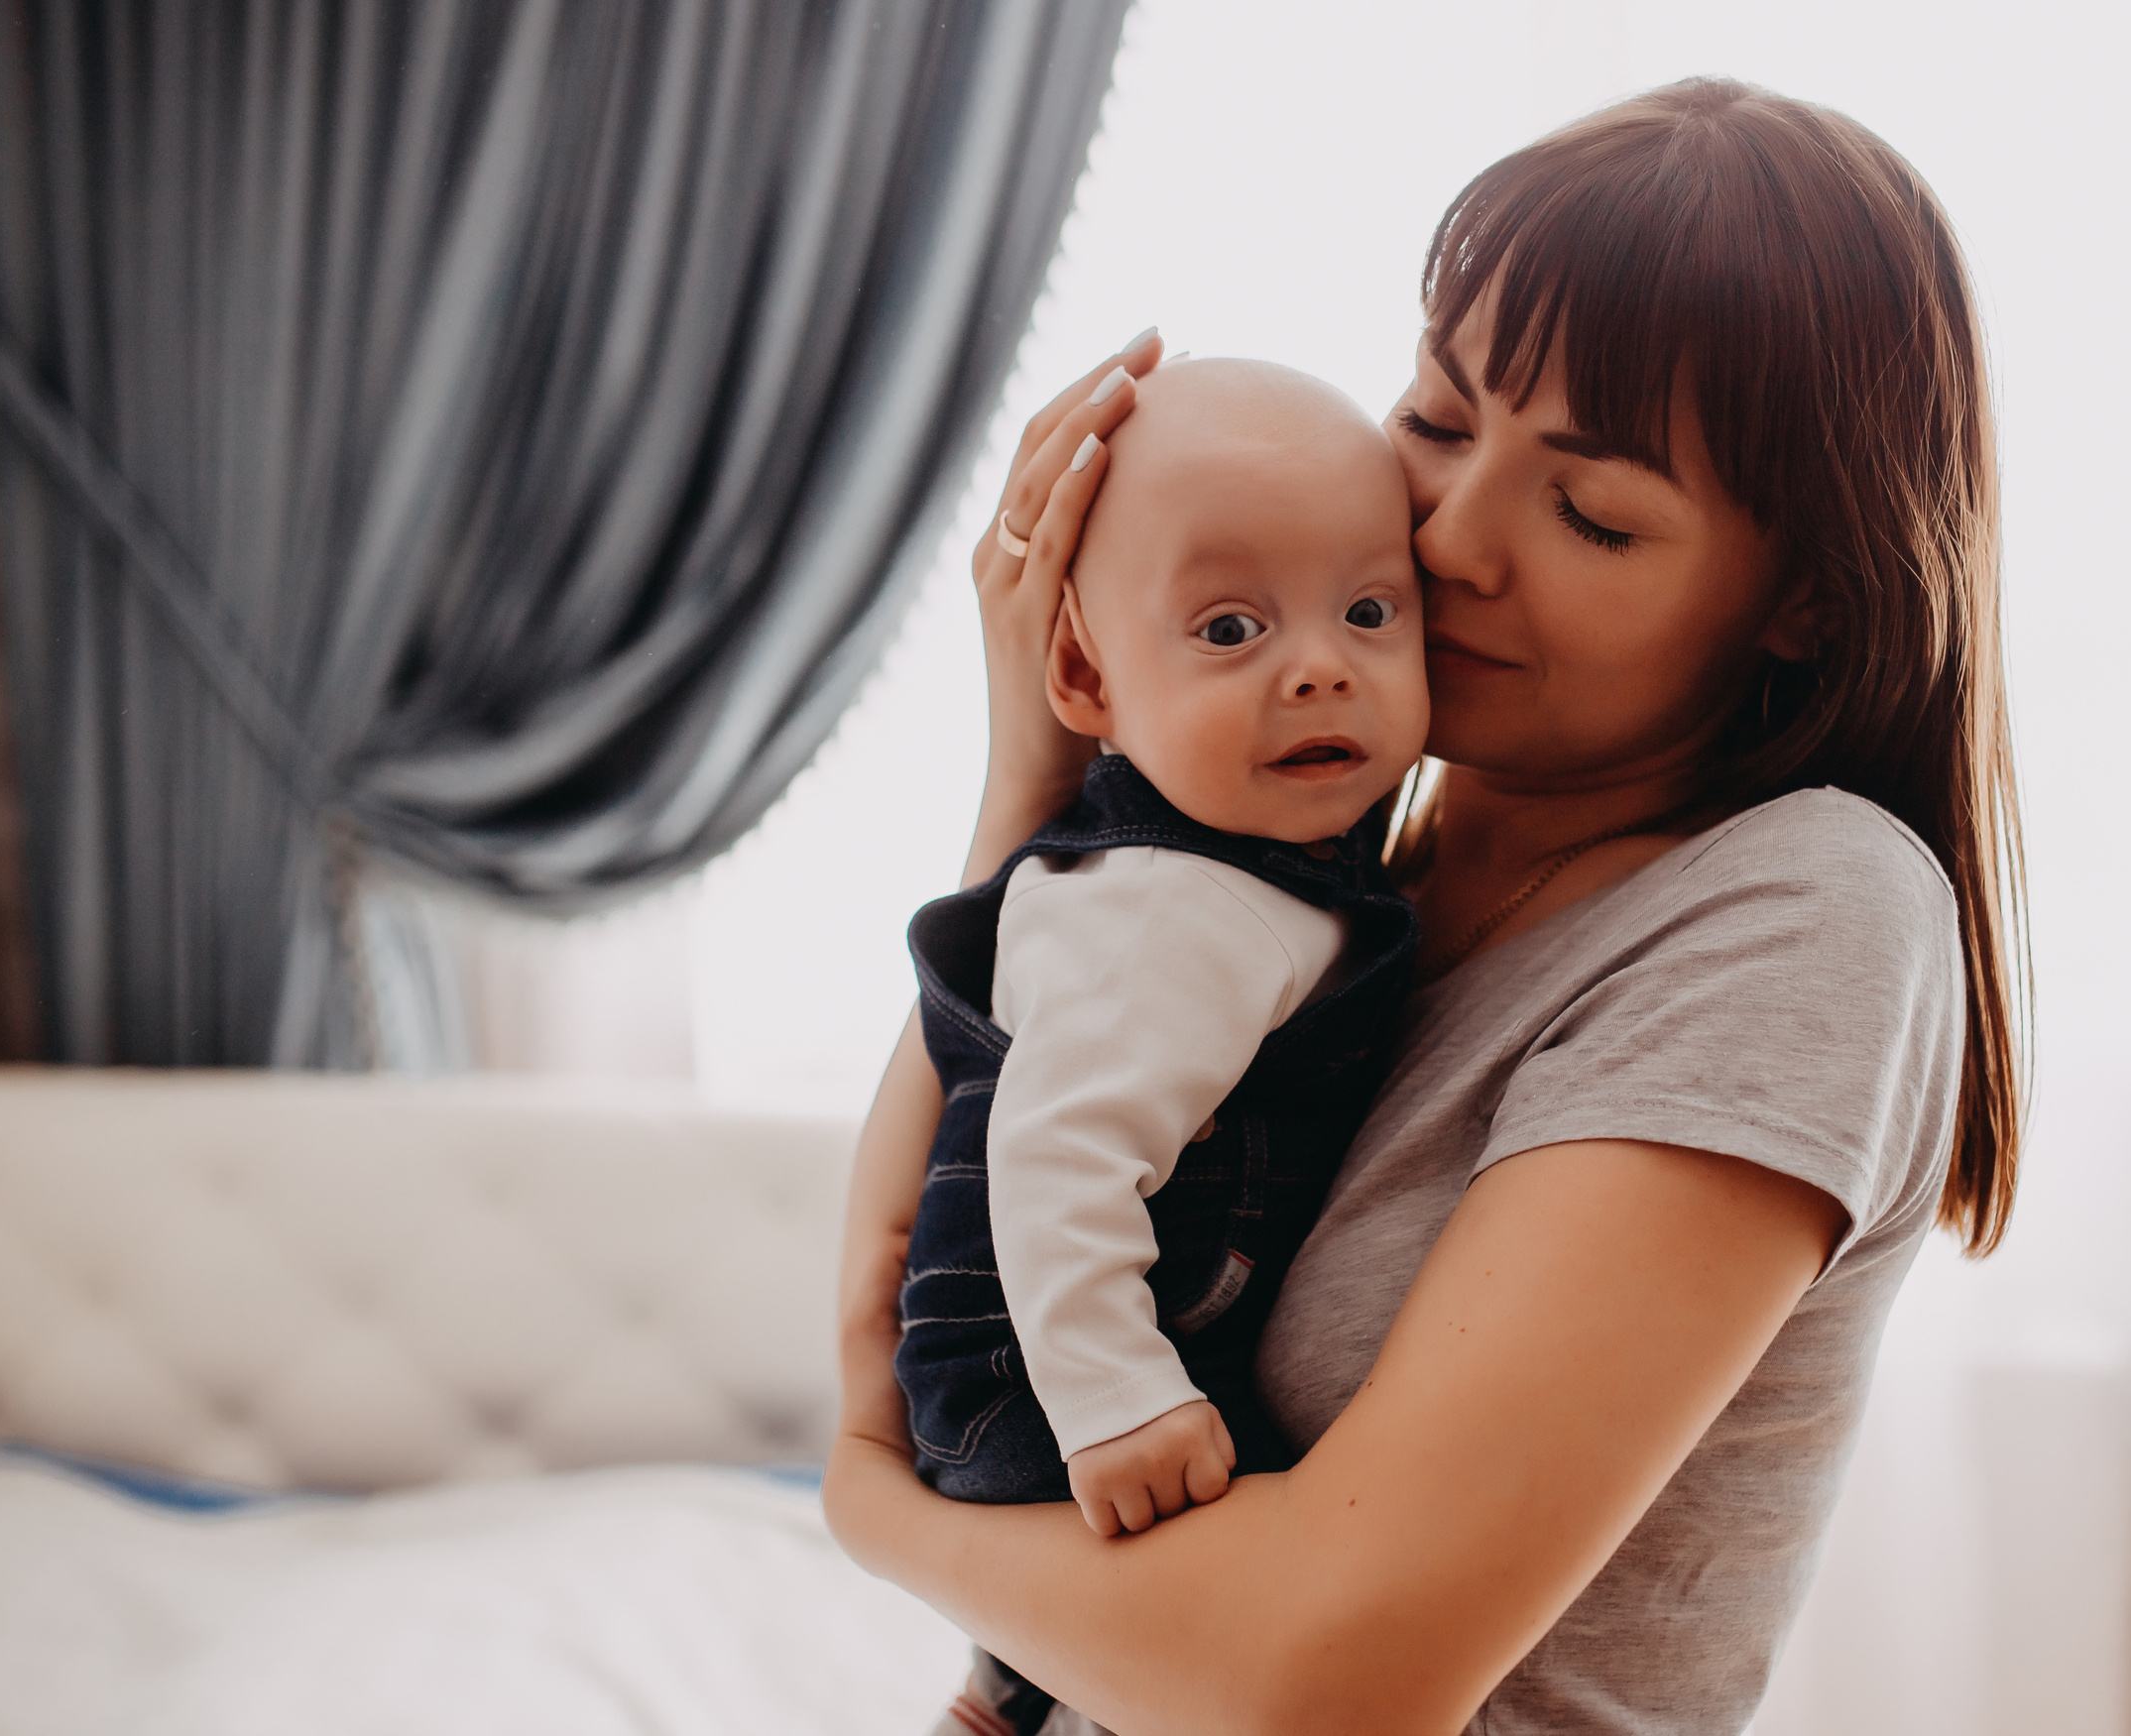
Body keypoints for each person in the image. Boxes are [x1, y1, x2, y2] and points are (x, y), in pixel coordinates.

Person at [827, 76, 2024, 1736]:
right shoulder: (1333, 882)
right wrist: (1046, 782)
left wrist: (880, 1521)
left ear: (1806, 601)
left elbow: (1323, 1685)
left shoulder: (1798, 912)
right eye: (1440, 422)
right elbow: (907, 1261)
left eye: (1591, 510)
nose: (1452, 538)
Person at [894, 362, 1427, 1735]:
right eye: (1231, 626)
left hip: (1073, 1340)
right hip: (1041, 1364)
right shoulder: (1177, 906)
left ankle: (1001, 1693)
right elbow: (1058, 1146)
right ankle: (1022, 1691)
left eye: (1371, 611)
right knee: (1250, 1558)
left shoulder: (1257, 859)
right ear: (1083, 671)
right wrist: (1118, 1398)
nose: (1321, 666)